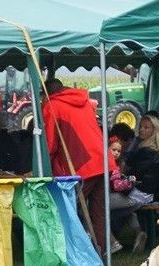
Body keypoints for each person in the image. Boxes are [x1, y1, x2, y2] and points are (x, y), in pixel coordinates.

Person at [42, 79, 110, 255]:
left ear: (47, 93)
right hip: (102, 160)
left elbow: (49, 145)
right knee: (99, 214)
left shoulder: (52, 105)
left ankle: (77, 254)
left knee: (70, 210)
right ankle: (102, 255)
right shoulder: (84, 101)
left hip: (83, 165)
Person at [107, 137, 149, 253]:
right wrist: (129, 182)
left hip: (109, 198)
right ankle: (139, 232)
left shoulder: (113, 167)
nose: (116, 153)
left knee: (100, 213)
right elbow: (117, 186)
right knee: (128, 210)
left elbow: (116, 185)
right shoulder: (113, 167)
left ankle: (113, 242)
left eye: (118, 151)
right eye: (113, 150)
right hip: (112, 198)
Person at [124, 114, 159, 200]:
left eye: (146, 128)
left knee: (107, 201)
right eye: (140, 126)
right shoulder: (154, 149)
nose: (141, 130)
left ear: (154, 131)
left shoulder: (148, 151)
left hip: (140, 194)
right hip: (145, 193)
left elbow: (134, 173)